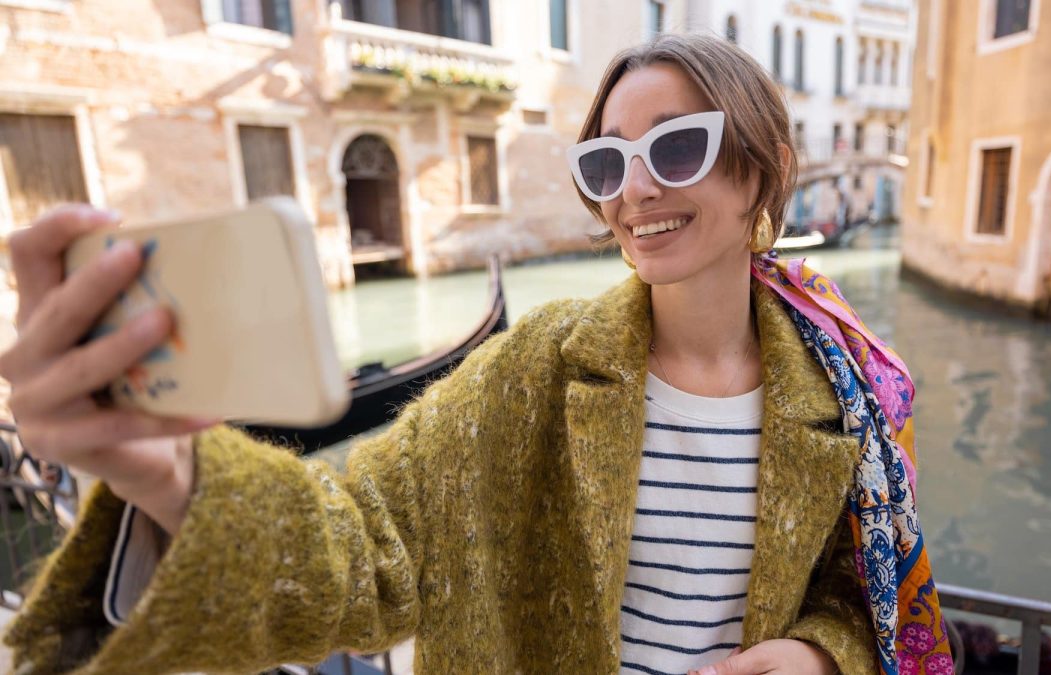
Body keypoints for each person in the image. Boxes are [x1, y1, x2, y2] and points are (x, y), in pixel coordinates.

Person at [0, 34, 950, 675]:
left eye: (679, 147)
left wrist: (823, 654)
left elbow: (857, 588)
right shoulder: (530, 369)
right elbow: (367, 552)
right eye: (606, 164)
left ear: (767, 164)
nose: (635, 191)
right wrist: (178, 475)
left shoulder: (845, 387)